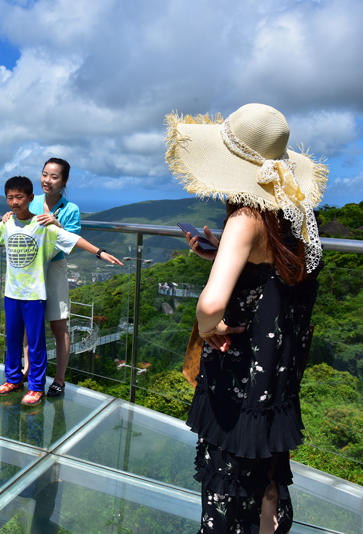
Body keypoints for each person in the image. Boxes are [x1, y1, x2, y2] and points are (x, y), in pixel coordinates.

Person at [166, 103, 326, 534]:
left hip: (240, 376)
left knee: (229, 484)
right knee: (267, 475)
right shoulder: (298, 212)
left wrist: (208, 328)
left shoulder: (246, 218)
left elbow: (210, 305)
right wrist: (224, 255)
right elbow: (276, 274)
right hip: (277, 373)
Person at [0, 176, 123, 406]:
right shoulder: (7, 223)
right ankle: (13, 379)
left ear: (30, 198)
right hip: (11, 293)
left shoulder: (43, 226)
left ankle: (36, 387)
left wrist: (99, 252)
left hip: (35, 295)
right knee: (13, 339)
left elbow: (73, 238)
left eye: (19, 197)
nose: (15, 202)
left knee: (36, 342)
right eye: (10, 197)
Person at [2, 158, 80, 397]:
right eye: (45, 174)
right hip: (29, 269)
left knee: (58, 324)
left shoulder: (70, 209)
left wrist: (57, 224)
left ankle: (59, 379)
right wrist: (10, 214)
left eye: (54, 176)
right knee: (28, 323)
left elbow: (72, 243)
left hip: (53, 268)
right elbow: (20, 217)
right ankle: (27, 370)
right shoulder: (32, 200)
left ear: (64, 181)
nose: (48, 180)